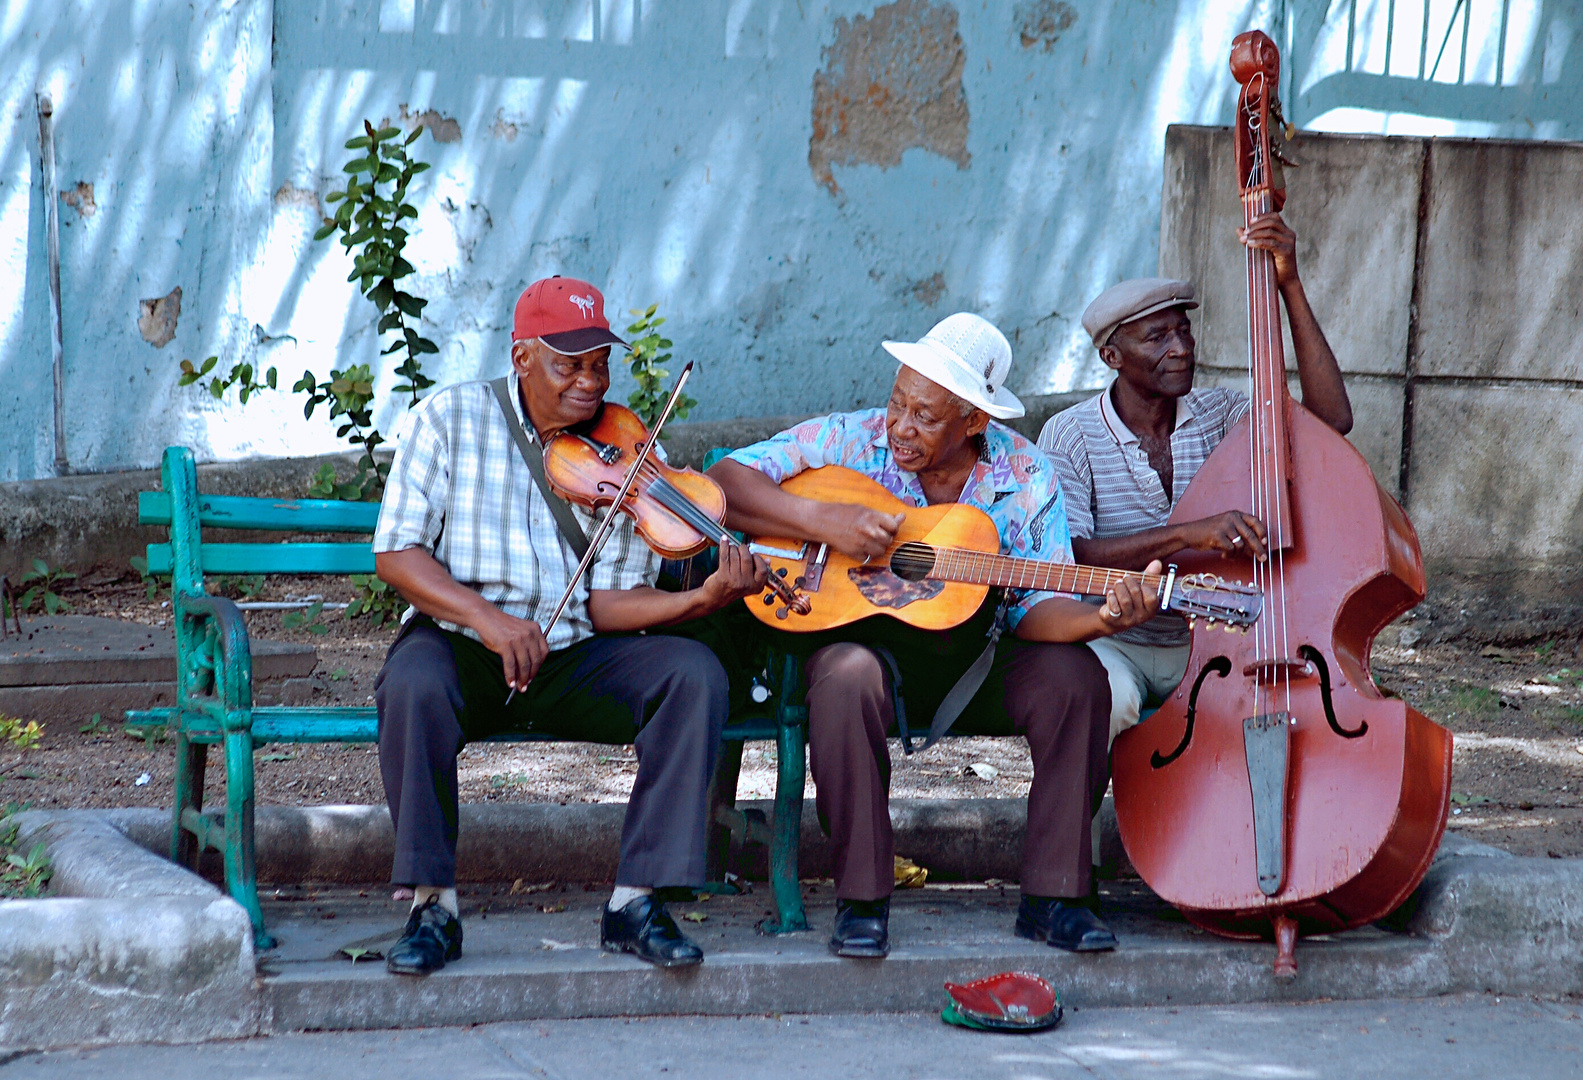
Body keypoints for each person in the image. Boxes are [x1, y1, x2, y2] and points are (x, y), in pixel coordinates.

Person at [708, 313, 1161, 959]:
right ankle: (861, 899)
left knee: (1076, 678)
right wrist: (820, 518)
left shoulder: (1025, 475)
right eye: (897, 404)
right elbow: (726, 480)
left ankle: (1055, 897)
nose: (899, 426)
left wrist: (1101, 620)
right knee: (844, 676)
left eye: (923, 416)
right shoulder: (848, 438)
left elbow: (1040, 604)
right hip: (863, 651)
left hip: (976, 658)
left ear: (974, 421)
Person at [371, 276, 768, 976]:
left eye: (599, 364)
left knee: (691, 674)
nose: (590, 382)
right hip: (464, 641)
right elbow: (397, 554)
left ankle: (636, 902)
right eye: (568, 364)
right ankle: (432, 906)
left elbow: (608, 604)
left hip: (572, 651)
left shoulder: (621, 447)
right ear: (522, 358)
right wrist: (489, 620)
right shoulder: (448, 419)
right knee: (411, 682)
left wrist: (700, 600)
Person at [1038, 213, 1353, 745]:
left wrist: (1289, 283)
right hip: (1115, 637)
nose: (1181, 347)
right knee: (1101, 704)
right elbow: (1071, 555)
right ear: (1112, 357)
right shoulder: (1069, 436)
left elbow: (1331, 422)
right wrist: (1189, 533)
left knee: (1267, 722)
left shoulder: (1221, 414)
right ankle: (1087, 830)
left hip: (1219, 641)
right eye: (1157, 337)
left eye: (1183, 330)